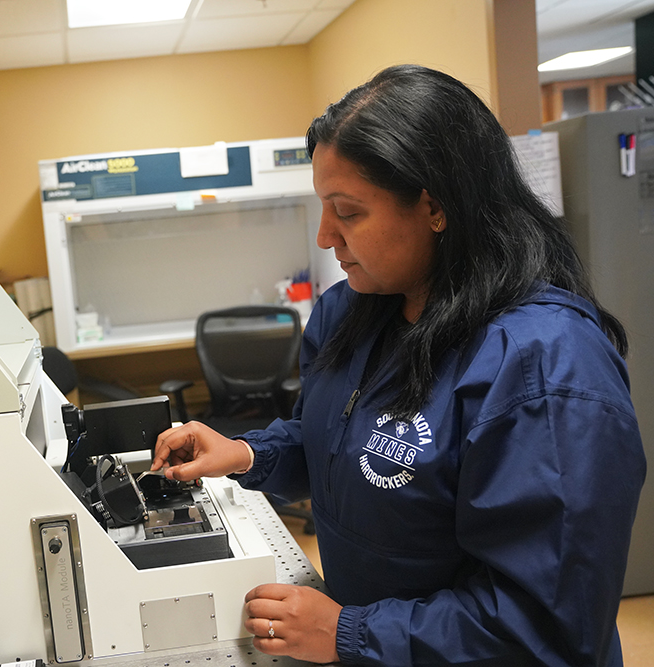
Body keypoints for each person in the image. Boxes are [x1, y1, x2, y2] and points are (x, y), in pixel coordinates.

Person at [150, 64, 647, 666]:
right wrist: (249, 453)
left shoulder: (545, 367)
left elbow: (547, 626)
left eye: (348, 212)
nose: (326, 237)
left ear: (435, 207)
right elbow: (338, 441)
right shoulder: (351, 314)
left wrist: (351, 633)